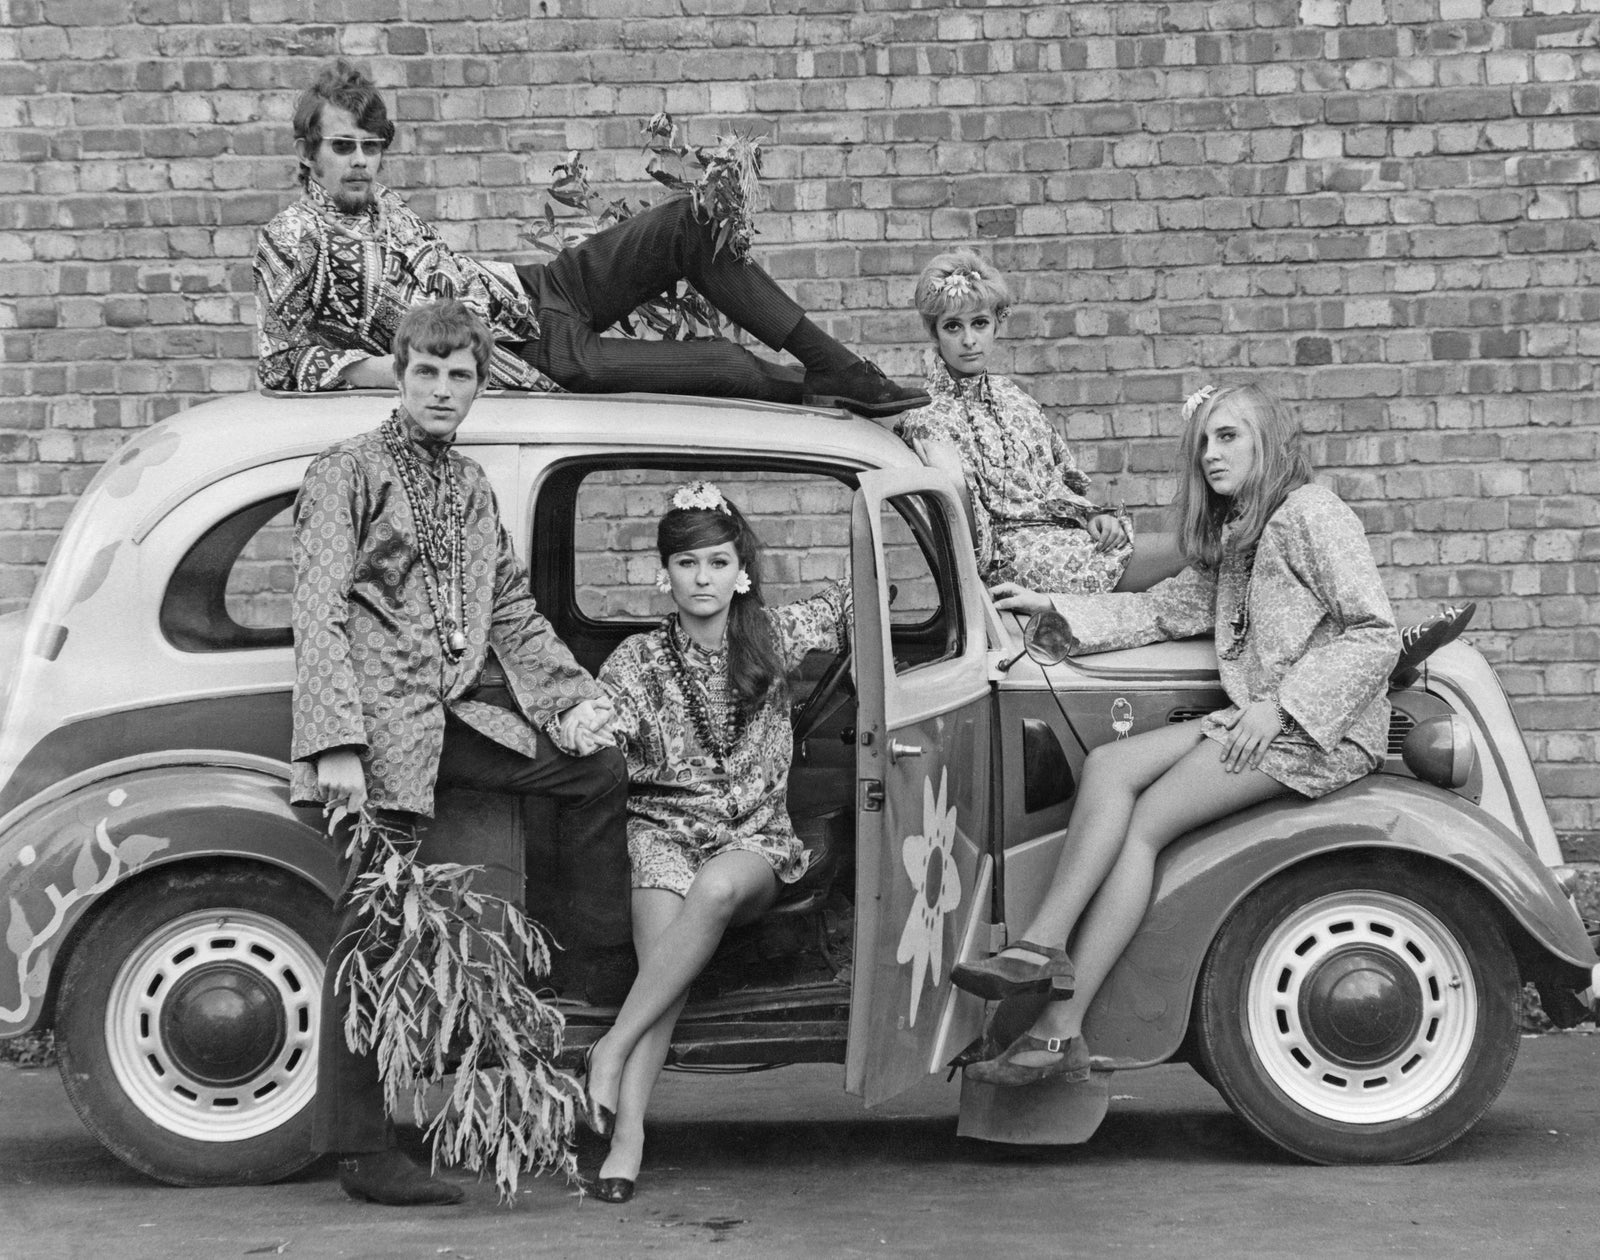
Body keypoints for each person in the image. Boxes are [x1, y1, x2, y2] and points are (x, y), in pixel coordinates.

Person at [952, 383, 1403, 1086]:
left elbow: (1375, 632)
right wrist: (1056, 606)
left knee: (1143, 828)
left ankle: (1058, 1032)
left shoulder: (1314, 513)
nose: (1210, 453)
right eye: (1204, 442)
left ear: (1267, 443)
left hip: (1317, 731)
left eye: (1229, 437)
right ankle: (1042, 945)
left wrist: (1280, 706)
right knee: (1108, 767)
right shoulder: (1240, 532)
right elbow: (1165, 611)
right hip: (1259, 721)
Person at [291, 299, 633, 1205]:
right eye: (427, 372)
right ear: (400, 374)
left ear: (481, 383)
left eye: (462, 374)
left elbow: (512, 613)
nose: (444, 390)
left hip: (453, 730)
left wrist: (575, 705)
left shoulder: (473, 487)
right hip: (372, 745)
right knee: (371, 935)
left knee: (596, 770)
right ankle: (363, 1151)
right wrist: (335, 747)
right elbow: (320, 615)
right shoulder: (347, 473)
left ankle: (600, 964)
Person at [254, 59, 927, 418]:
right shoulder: (293, 237)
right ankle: (815, 395)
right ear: (309, 153)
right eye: (344, 147)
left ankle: (842, 371)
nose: (362, 161)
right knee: (723, 365)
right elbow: (282, 364)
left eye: (372, 147)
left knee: (690, 221)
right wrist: (404, 372)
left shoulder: (386, 208)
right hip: (533, 354)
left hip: (540, 287)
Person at [574, 481, 850, 1202]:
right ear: (664, 574)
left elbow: (858, 597)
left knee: (717, 888)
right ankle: (629, 1136)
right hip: (663, 831)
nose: (704, 579)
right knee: (663, 969)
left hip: (754, 841)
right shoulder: (637, 660)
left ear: (742, 571)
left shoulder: (771, 637)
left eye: (719, 563)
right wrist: (585, 721)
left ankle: (608, 1050)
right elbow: (608, 727)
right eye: (688, 564)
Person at [897, 249, 1187, 594]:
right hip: (1013, 561)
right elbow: (965, 539)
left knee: (1181, 554)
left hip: (1063, 536)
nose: (969, 340)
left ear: (996, 325)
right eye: (952, 326)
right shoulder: (928, 416)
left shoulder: (1015, 398)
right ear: (935, 333)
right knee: (1191, 551)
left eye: (979, 323)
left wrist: (1092, 516)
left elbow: (1056, 481)